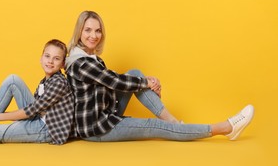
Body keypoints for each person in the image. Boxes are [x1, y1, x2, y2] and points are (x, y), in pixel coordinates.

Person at [65, 10, 254, 142]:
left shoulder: (90, 58)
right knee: (153, 125)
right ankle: (224, 128)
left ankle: (172, 121)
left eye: (97, 30)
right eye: (88, 30)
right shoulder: (81, 63)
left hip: (104, 114)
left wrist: (145, 83)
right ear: (79, 32)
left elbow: (111, 82)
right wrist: (146, 83)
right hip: (96, 128)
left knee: (135, 74)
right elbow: (114, 81)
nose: (94, 35)